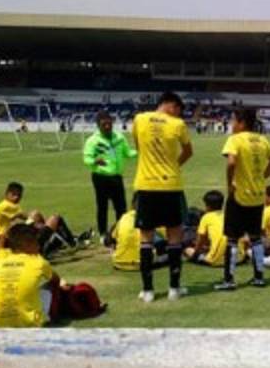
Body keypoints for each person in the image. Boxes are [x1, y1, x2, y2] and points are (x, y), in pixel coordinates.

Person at [130, 91, 193, 302]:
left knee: (146, 239)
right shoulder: (178, 124)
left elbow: (139, 147)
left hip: (146, 185)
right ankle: (174, 289)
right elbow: (188, 151)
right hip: (171, 185)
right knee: (174, 237)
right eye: (178, 110)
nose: (178, 114)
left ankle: (147, 291)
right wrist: (174, 164)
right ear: (172, 105)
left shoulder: (139, 119)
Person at [214, 106, 270, 290]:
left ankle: (229, 280)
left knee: (232, 239)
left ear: (242, 123)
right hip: (258, 196)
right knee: (256, 237)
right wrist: (263, 177)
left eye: (234, 121)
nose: (232, 124)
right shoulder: (262, 139)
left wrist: (229, 184)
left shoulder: (235, 139)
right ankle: (259, 277)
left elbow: (231, 162)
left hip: (239, 195)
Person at [0, 223, 61, 328]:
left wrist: (4, 235)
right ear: (28, 244)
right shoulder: (38, 261)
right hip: (27, 325)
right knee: (49, 288)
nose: (39, 247)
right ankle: (49, 318)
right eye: (36, 243)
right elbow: (56, 280)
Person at [83, 111, 137, 234]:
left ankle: (120, 232)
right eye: (104, 124)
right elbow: (86, 158)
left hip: (117, 176)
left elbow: (127, 153)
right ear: (98, 125)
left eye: (109, 124)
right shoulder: (93, 141)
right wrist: (95, 161)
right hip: (100, 177)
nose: (107, 127)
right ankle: (103, 233)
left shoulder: (119, 137)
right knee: (102, 207)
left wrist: (141, 152)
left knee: (121, 207)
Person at [185, 190, 245, 268]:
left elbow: (200, 241)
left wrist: (194, 255)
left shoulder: (206, 217)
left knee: (188, 250)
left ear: (208, 206)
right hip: (239, 258)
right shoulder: (229, 215)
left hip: (218, 260)